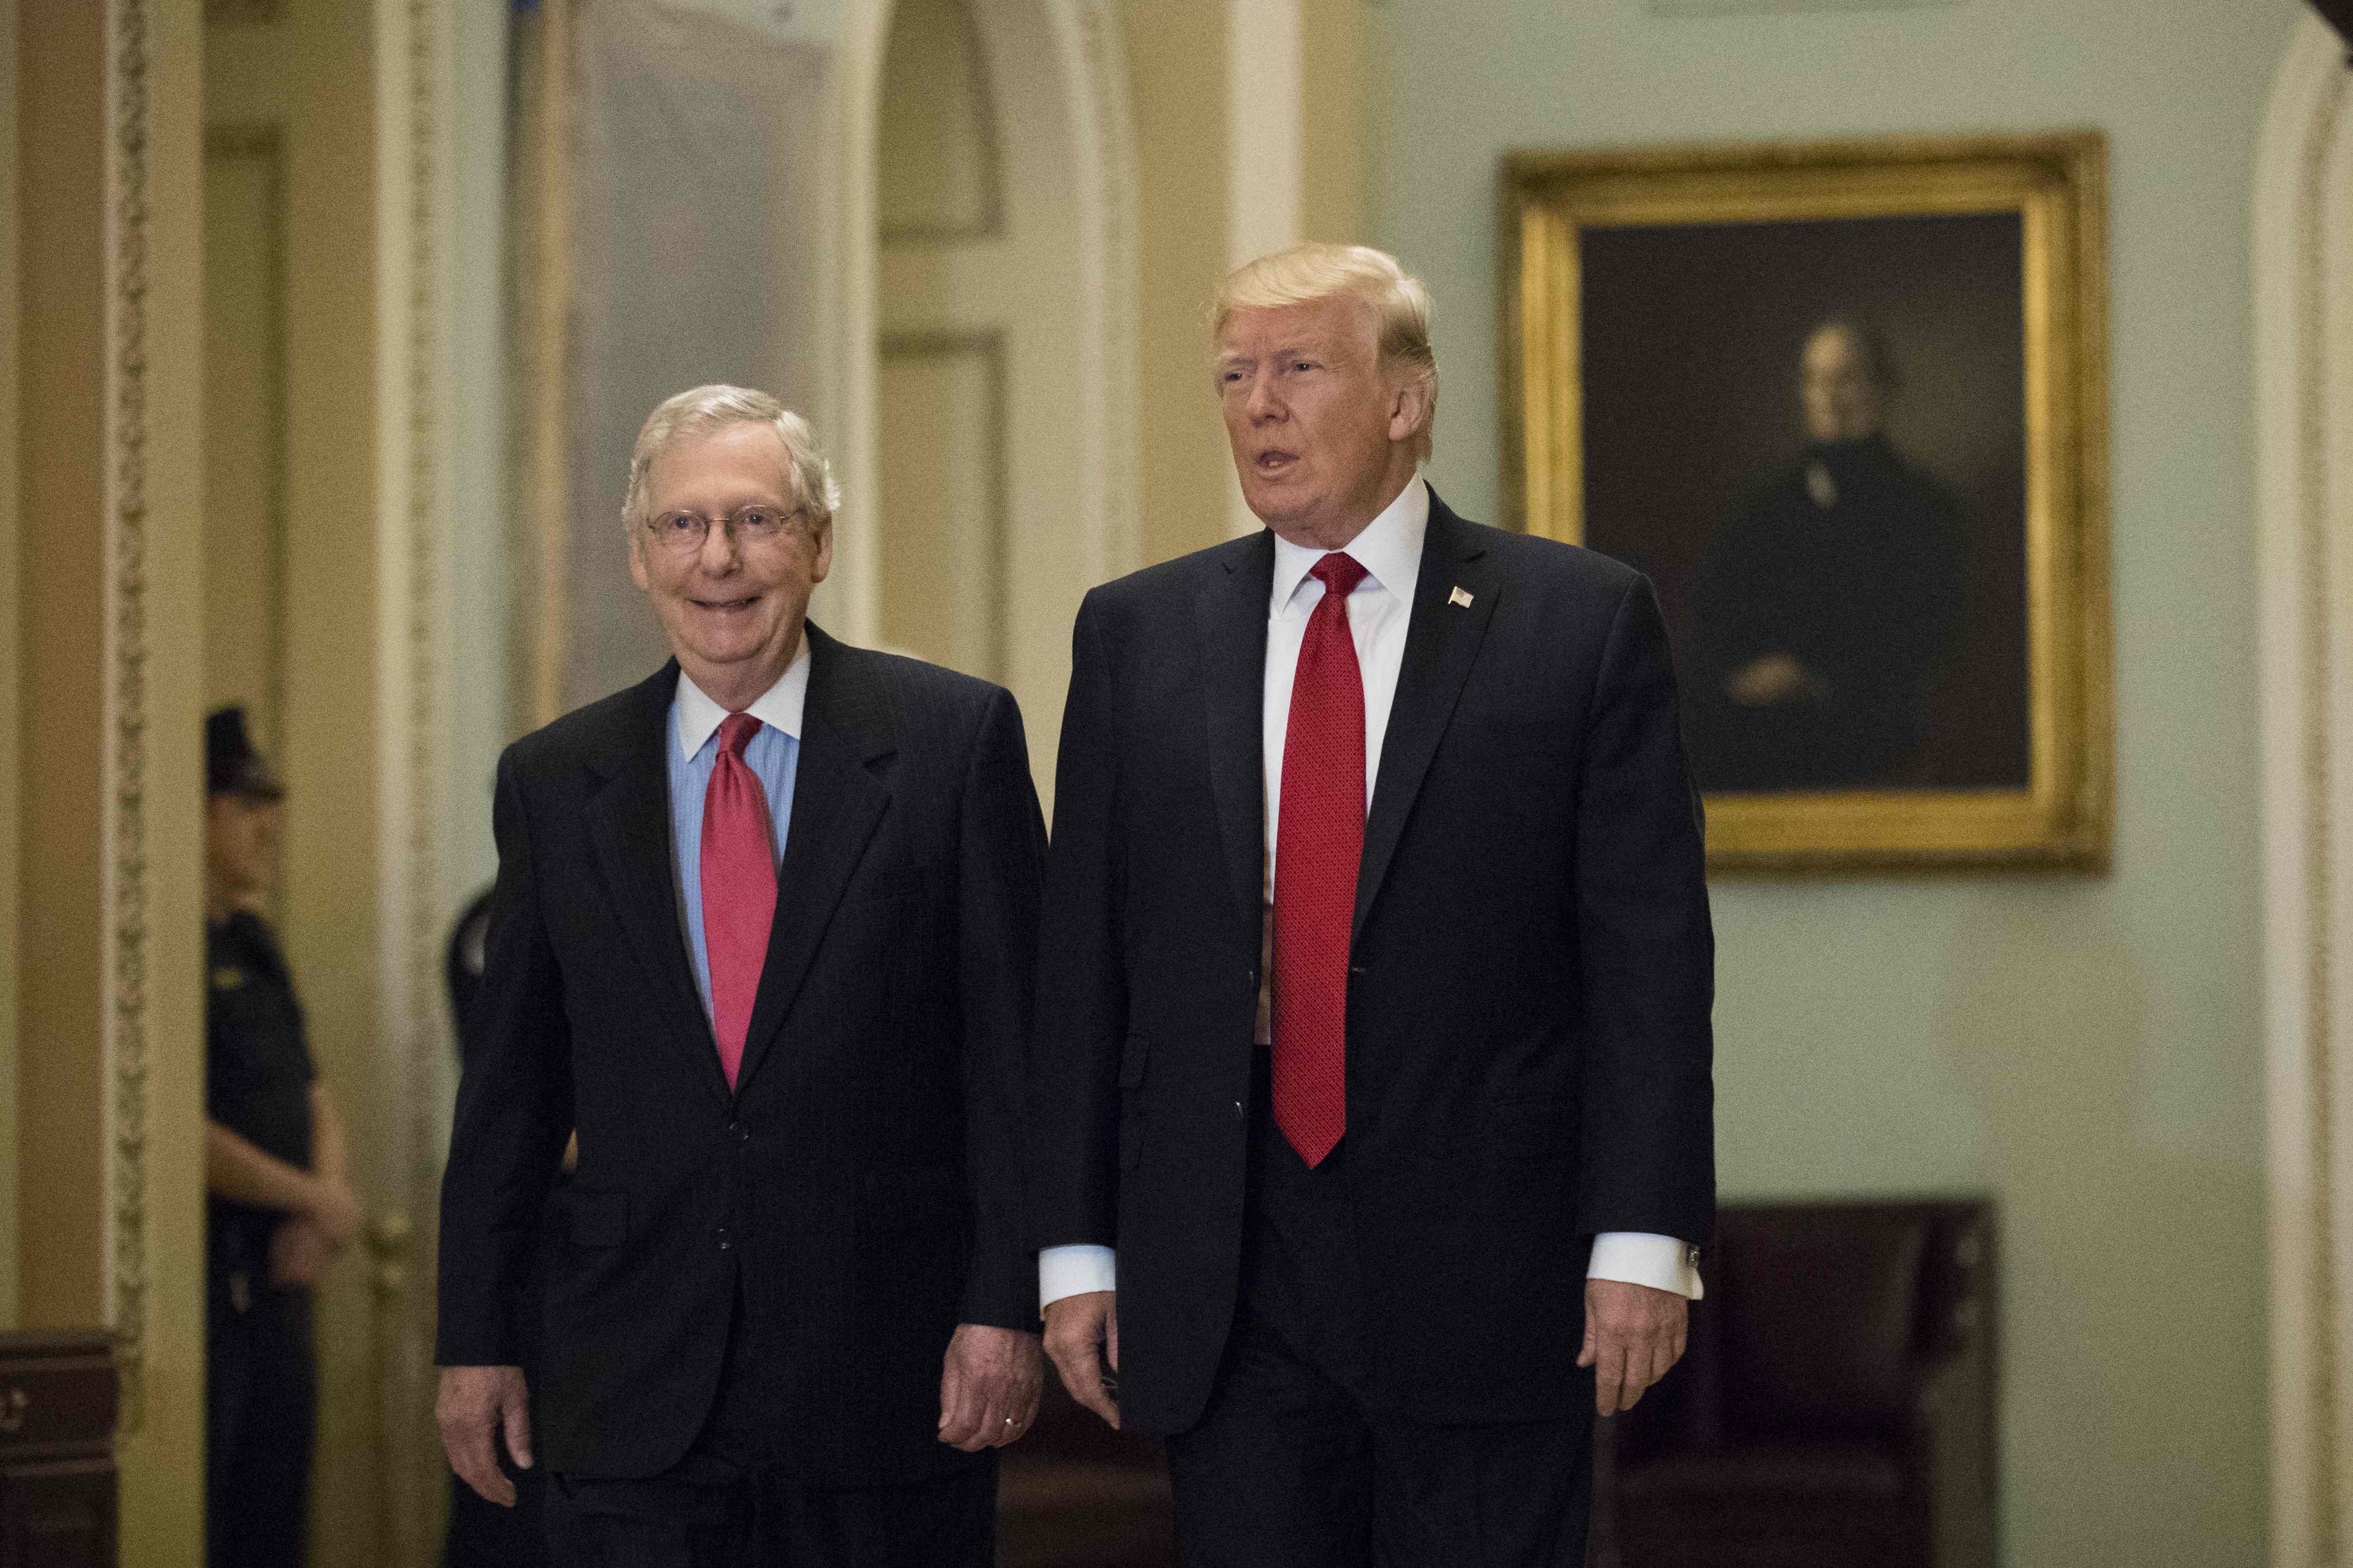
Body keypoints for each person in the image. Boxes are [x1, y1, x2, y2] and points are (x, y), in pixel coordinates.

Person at [1027, 244, 1717, 1567]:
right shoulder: (1138, 634)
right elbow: (1083, 971)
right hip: (1225, 1274)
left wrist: (1642, 1233)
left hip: (1486, 1275)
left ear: (1405, 400)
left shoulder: (1574, 622)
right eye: (1233, 375)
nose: (1256, 406)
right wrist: (1074, 1250)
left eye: (1298, 368)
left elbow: (1646, 963)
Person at [434, 386, 1048, 1566]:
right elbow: (510, 1094)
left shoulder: (951, 743)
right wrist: (476, 1338)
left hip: (890, 1377)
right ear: (640, 556)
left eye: (758, 522)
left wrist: (1001, 1305)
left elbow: (1014, 1062)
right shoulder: (555, 782)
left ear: (819, 545)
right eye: (684, 525)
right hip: (631, 1382)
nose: (719, 558)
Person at [202, 704, 362, 1568]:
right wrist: (312, 1196)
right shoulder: (167, 951)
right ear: (197, 812)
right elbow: (175, 1128)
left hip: (284, 1278)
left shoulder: (255, 942)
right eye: (245, 804)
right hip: (218, 1277)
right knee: (219, 1513)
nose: (266, 825)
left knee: (276, 1515)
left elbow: (313, 1089)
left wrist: (324, 1208)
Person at [1688, 316, 1968, 792]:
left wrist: (1817, 678)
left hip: (1872, 736)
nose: (1829, 396)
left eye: (1846, 378)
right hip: (1761, 738)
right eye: (1815, 380)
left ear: (1881, 387)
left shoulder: (1925, 507)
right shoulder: (1763, 506)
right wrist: (1746, 677)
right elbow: (1714, 620)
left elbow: (1930, 639)